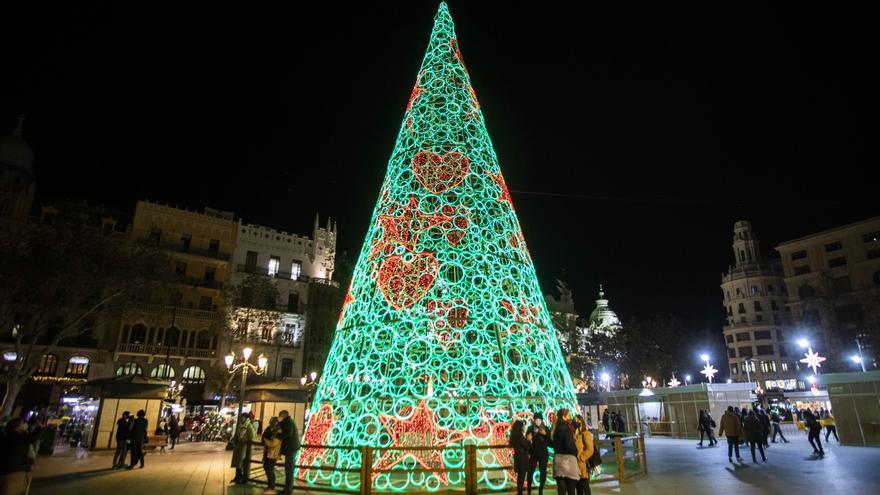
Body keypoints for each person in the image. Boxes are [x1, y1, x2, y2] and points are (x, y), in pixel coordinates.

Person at [550, 408, 579, 495]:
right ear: (563, 417)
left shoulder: (554, 429)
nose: (570, 418)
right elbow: (569, 446)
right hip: (568, 462)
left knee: (561, 491)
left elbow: (551, 443)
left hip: (558, 461)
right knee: (571, 490)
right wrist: (576, 451)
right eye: (569, 416)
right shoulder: (566, 429)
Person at [231, 412, 258, 484]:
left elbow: (251, 436)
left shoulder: (248, 425)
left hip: (244, 446)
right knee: (237, 461)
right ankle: (237, 476)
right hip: (238, 445)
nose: (241, 419)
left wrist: (245, 440)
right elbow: (238, 434)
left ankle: (241, 477)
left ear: (246, 418)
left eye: (242, 417)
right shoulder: (241, 425)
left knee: (241, 461)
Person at [527, 412, 549, 495]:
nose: (538, 422)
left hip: (543, 454)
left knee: (543, 472)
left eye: (539, 420)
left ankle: (541, 490)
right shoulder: (530, 428)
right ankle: (529, 488)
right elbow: (527, 440)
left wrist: (546, 434)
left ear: (542, 420)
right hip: (533, 453)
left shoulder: (545, 429)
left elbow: (549, 441)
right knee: (530, 471)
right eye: (536, 420)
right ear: (534, 420)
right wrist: (528, 439)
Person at [278, 409, 300, 495]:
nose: (279, 417)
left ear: (283, 416)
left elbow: (288, 434)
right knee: (288, 467)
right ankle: (288, 487)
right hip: (291, 448)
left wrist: (278, 435)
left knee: (289, 468)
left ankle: (288, 488)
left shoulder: (288, 422)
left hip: (291, 448)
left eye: (280, 415)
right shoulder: (287, 422)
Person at [572, 414, 594, 495]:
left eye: (578, 421)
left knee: (585, 486)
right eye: (574, 421)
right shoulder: (574, 434)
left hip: (583, 465)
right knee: (578, 488)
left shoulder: (586, 433)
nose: (576, 423)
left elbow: (590, 449)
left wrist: (582, 457)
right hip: (575, 465)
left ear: (581, 422)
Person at [509, 419, 531, 495]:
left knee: (520, 476)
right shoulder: (520, 436)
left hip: (517, 457)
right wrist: (528, 440)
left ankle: (519, 490)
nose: (523, 427)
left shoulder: (514, 436)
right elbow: (526, 447)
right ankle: (520, 491)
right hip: (523, 458)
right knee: (522, 475)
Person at [262, 417, 282, 495]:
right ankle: (270, 486)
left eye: (272, 421)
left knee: (269, 468)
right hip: (269, 452)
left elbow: (273, 443)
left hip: (274, 453)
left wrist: (266, 441)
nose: (271, 423)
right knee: (266, 467)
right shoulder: (271, 429)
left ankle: (272, 487)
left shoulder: (278, 431)